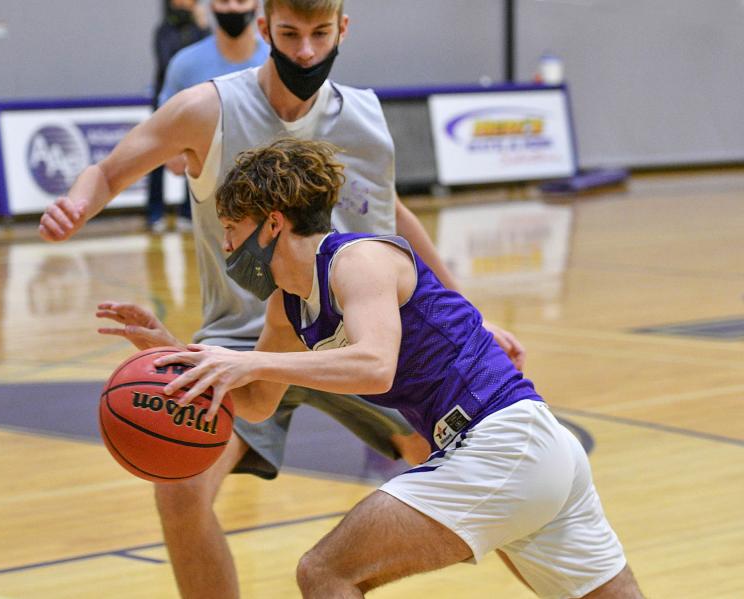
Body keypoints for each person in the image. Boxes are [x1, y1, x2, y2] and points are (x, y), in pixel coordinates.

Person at [39, 1, 525, 596]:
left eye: (320, 34)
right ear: (266, 27)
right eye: (290, 34)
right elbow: (110, 172)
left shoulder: (365, 117)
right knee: (181, 487)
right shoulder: (207, 109)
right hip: (246, 338)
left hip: (353, 331)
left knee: (467, 460)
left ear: (342, 30)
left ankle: (552, 546)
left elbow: (392, 217)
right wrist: (76, 204)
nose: (306, 51)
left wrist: (469, 315)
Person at [148, 137, 644, 598]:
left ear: (272, 224)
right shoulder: (287, 308)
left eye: (232, 229)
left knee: (324, 572)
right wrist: (169, 356)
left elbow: (375, 365)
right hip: (525, 451)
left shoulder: (357, 261)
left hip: (503, 441)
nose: (227, 247)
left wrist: (250, 359)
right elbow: (257, 405)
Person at [155, 0, 271, 233]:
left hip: (271, 196)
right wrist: (172, 152)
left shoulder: (277, 61)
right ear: (212, 6)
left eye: (241, 1)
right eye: (224, 1)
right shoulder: (184, 64)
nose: (233, 9)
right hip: (210, 205)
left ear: (256, 6)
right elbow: (163, 129)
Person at [147, 0, 210, 233]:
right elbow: (168, 63)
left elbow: (208, 59)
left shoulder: (199, 29)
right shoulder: (164, 30)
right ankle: (155, 213)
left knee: (194, 155)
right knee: (155, 158)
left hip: (195, 104)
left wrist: (204, 27)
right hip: (166, 103)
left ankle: (187, 212)